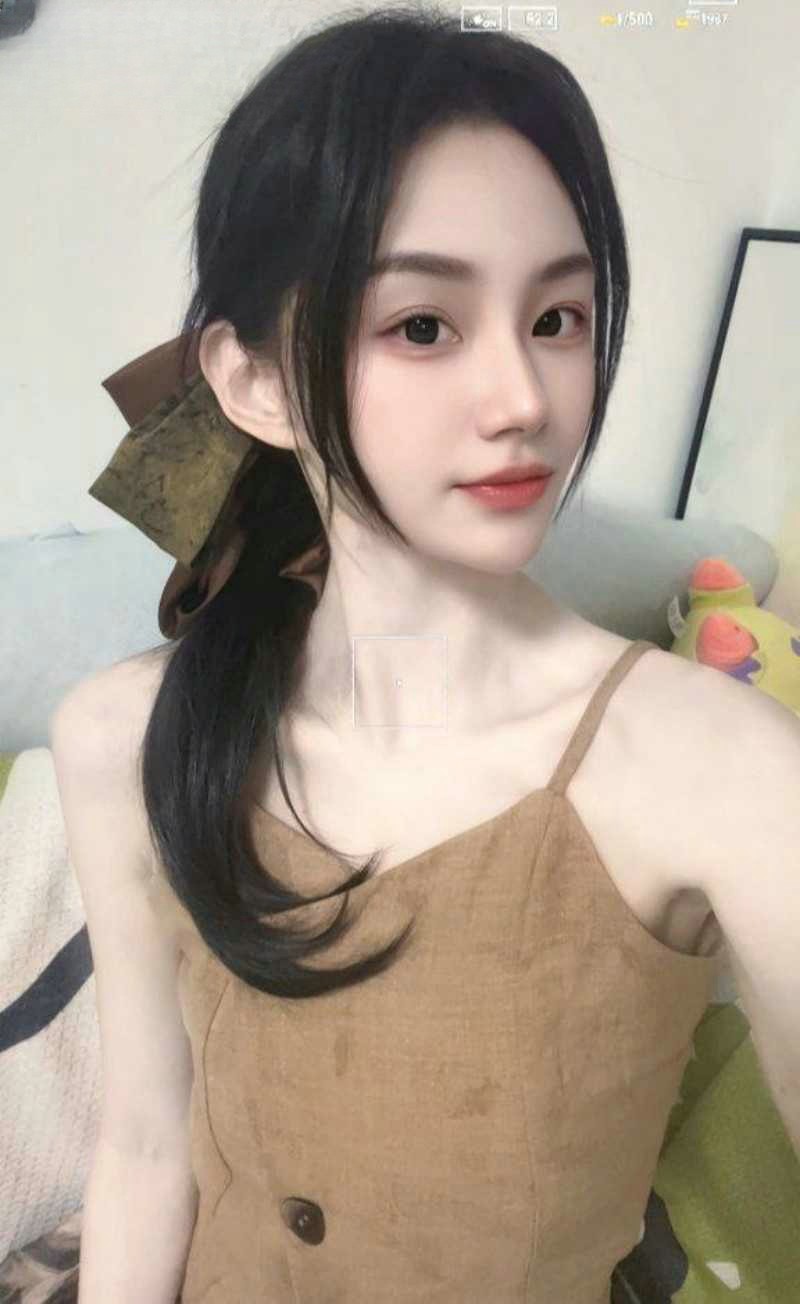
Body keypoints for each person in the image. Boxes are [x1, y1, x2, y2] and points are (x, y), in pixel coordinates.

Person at [62, 7, 726, 1301]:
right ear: (254, 383)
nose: (526, 401)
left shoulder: (713, 769)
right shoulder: (124, 737)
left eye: (560, 317)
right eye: (423, 326)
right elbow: (144, 1146)